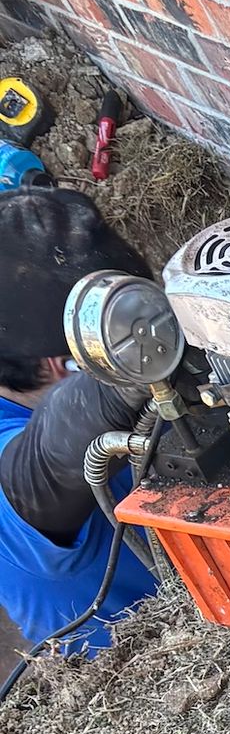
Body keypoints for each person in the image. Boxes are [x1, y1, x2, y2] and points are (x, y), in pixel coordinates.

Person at [0, 186, 158, 660]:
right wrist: (121, 373)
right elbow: (42, 470)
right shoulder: (23, 468)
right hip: (138, 670)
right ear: (61, 365)